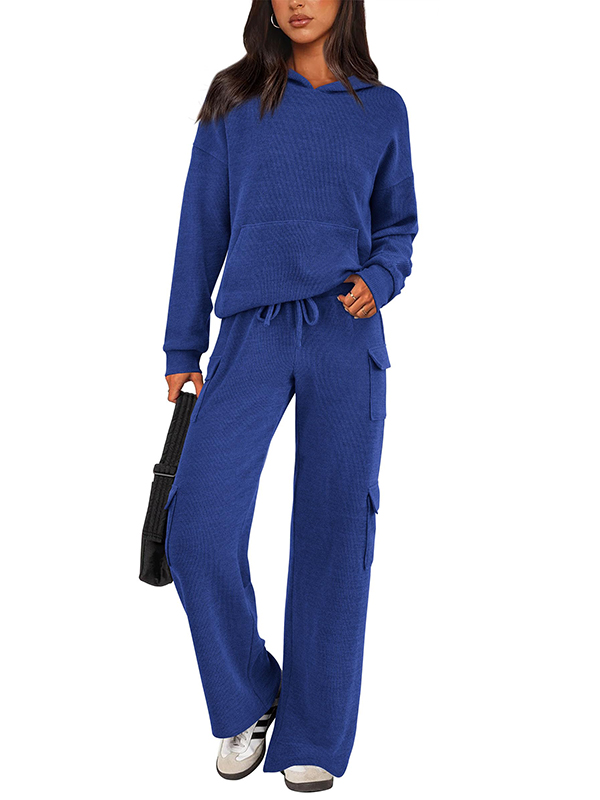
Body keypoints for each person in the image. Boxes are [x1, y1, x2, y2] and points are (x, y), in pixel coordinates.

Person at [160, 0, 418, 792]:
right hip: (253, 330)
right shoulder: (233, 98)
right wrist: (181, 346)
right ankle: (249, 696)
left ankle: (314, 733)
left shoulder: (382, 110)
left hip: (345, 329)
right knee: (196, 530)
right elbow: (200, 225)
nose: (297, 2)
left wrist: (380, 278)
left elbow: (398, 226)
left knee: (338, 531)